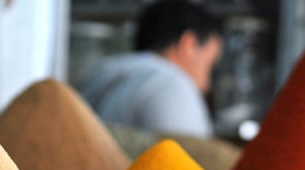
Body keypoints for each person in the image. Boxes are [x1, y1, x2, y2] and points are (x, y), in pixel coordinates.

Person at [79, 0, 222, 138]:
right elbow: (192, 156)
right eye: (209, 66)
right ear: (188, 45)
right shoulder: (171, 86)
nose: (206, 86)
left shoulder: (102, 76)